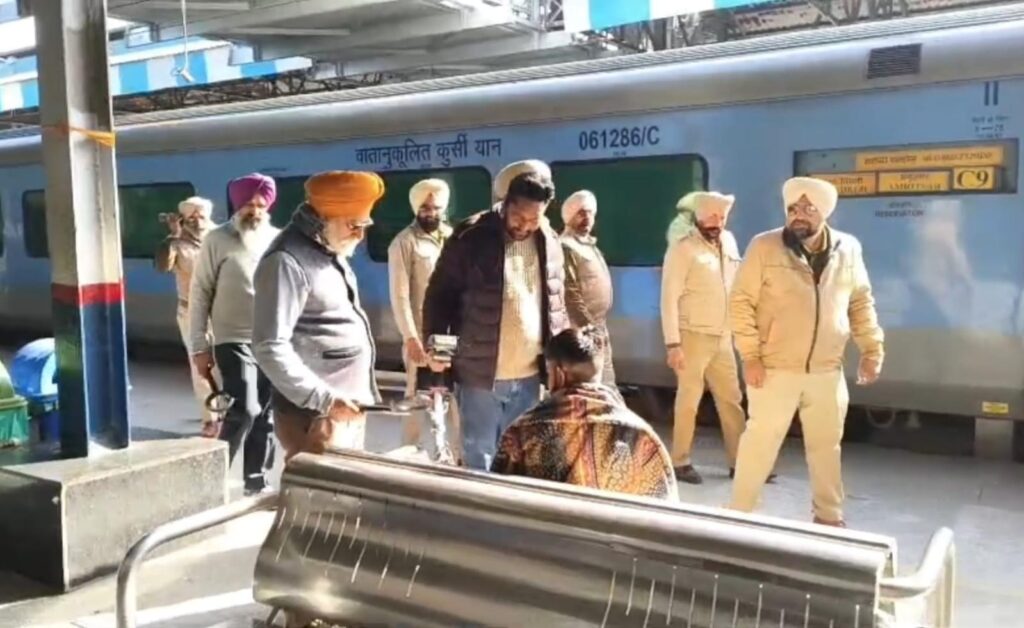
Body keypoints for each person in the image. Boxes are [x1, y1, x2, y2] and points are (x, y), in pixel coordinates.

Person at [729, 177, 884, 527]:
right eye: (792, 209)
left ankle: (829, 516)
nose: (798, 215)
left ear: (824, 212)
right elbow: (740, 302)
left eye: (808, 209)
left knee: (826, 447)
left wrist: (872, 348)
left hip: (827, 370)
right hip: (774, 367)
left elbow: (860, 302)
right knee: (759, 444)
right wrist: (750, 356)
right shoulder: (764, 246)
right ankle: (738, 515)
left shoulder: (848, 249)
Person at [423, 161, 568, 471]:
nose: (525, 226)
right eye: (518, 217)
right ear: (505, 204)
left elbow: (557, 304)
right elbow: (440, 296)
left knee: (519, 459)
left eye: (534, 219)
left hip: (530, 376)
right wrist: (437, 349)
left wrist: (560, 361)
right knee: (479, 457)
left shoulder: (550, 240)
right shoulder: (471, 235)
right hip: (480, 375)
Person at [254, 171, 385, 463]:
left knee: (345, 487)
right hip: (316, 415)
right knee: (317, 489)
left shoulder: (328, 246)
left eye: (364, 226)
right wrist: (325, 399)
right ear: (324, 218)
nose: (360, 236)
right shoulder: (285, 261)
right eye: (353, 225)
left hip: (342, 406)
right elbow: (269, 346)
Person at [491, 327, 676, 501]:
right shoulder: (642, 437)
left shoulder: (522, 431)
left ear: (557, 374)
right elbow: (664, 510)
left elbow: (499, 499)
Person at [189, 173, 280, 495]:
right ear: (237, 205)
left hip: (271, 340)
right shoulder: (217, 240)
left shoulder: (277, 239)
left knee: (266, 415)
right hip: (232, 340)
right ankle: (210, 486)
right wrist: (199, 346)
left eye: (261, 205)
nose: (254, 211)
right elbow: (200, 292)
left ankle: (256, 482)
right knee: (246, 409)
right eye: (248, 204)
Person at [660, 191, 753, 485]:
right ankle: (680, 461)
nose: (717, 222)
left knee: (732, 400)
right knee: (689, 400)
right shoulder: (682, 248)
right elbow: (669, 298)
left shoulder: (729, 242)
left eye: (722, 217)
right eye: (712, 216)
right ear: (699, 217)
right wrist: (673, 343)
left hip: (723, 336)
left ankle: (741, 462)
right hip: (692, 336)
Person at [387, 178, 458, 458]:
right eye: (425, 208)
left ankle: (458, 457)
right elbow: (400, 295)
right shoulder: (404, 243)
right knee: (418, 397)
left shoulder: (452, 238)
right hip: (421, 336)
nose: (431, 213)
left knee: (455, 399)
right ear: (416, 208)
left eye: (436, 208)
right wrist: (410, 337)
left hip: (451, 336)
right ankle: (410, 453)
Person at [154, 196, 215, 431]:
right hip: (192, 313)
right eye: (192, 216)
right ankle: (210, 418)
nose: (197, 220)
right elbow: (162, 267)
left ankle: (230, 413)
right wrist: (173, 236)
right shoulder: (176, 242)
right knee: (201, 366)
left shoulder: (220, 237)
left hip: (223, 310)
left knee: (226, 364)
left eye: (201, 215)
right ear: (183, 218)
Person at [559, 190, 615, 385]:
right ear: (570, 216)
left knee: (606, 383)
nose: (587, 218)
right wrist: (587, 328)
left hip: (598, 326)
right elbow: (570, 293)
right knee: (589, 385)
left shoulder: (589, 245)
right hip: (581, 331)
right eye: (581, 213)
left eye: (590, 213)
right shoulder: (566, 247)